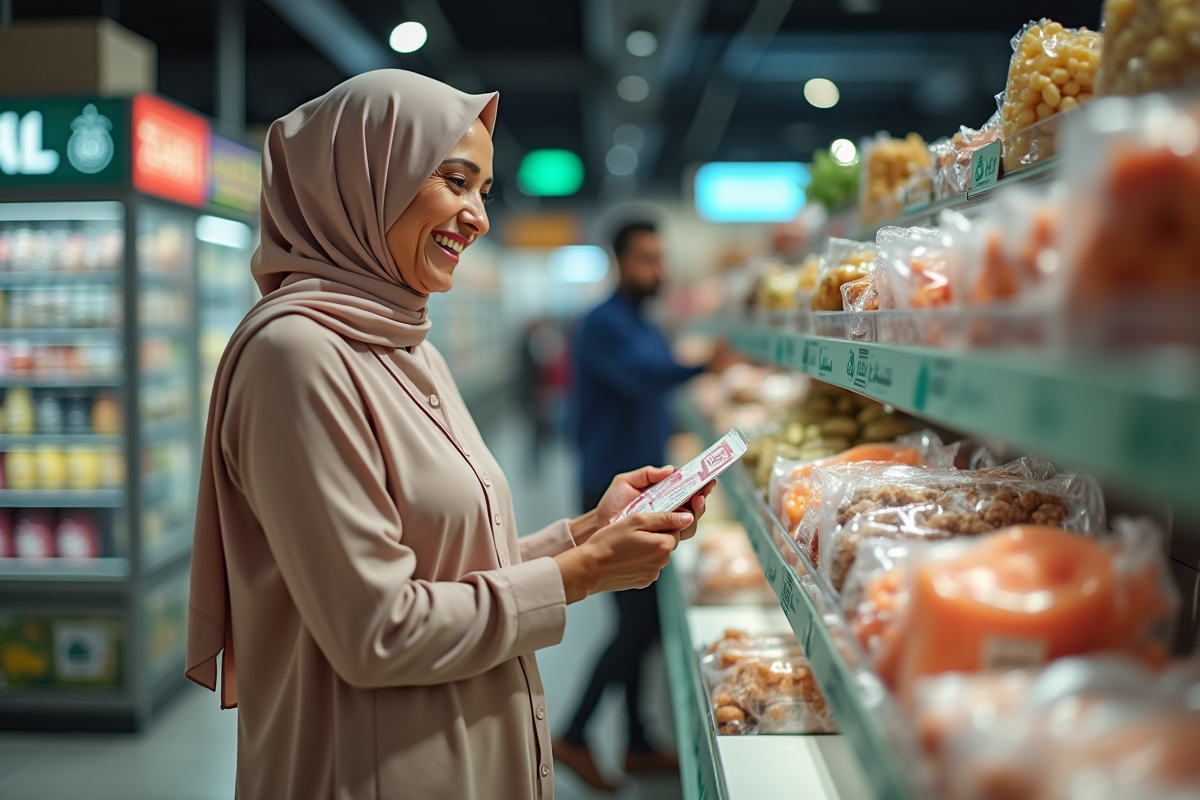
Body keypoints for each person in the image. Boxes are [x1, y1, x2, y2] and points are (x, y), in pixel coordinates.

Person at [184, 70, 711, 800]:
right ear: (365, 180)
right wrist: (583, 574)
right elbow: (379, 629)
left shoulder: (410, 347)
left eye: (484, 191)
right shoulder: (296, 357)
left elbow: (451, 566)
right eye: (456, 181)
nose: (479, 217)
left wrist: (588, 532)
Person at [555, 222, 728, 791]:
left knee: (638, 619)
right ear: (621, 260)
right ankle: (574, 734)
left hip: (643, 490)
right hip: (610, 493)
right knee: (637, 625)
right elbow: (644, 376)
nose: (658, 270)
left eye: (661, 257)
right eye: (647, 259)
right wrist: (705, 364)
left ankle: (636, 741)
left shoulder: (642, 321)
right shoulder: (602, 322)